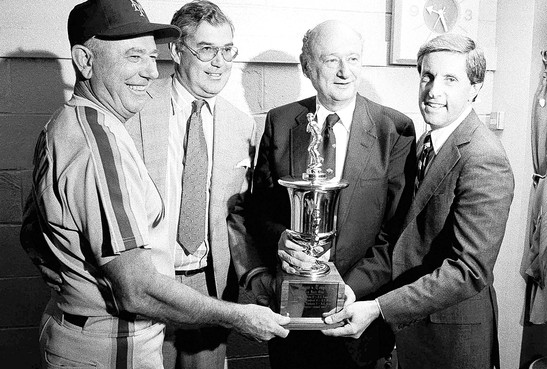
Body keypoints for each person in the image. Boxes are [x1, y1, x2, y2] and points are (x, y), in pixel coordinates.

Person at [21, 0, 289, 368]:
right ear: (178, 52)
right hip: (133, 302)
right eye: (207, 49)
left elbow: (236, 214)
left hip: (204, 287)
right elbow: (39, 222)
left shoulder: (241, 124)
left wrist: (252, 275)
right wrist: (69, 279)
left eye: (227, 50)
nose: (219, 62)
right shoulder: (123, 109)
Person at [323, 34, 515, 369]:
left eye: (450, 79)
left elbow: (468, 272)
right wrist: (350, 289)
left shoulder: (483, 158)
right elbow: (403, 238)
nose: (433, 90)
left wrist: (379, 307)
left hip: (451, 341)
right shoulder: (426, 141)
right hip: (409, 334)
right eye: (427, 76)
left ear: (475, 87)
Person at [250, 20, 416, 369]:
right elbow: (260, 209)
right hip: (290, 324)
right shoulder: (280, 122)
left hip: (360, 321)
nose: (344, 72)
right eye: (331, 60)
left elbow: (397, 232)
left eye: (353, 59)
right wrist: (281, 239)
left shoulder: (394, 129)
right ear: (307, 65)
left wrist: (348, 291)